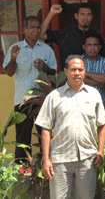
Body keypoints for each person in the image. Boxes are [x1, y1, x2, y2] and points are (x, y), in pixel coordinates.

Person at [35, 55, 105, 198]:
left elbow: (102, 124)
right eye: (73, 70)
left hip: (87, 159)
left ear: (85, 71)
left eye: (80, 70)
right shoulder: (54, 96)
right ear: (66, 71)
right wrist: (46, 158)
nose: (77, 73)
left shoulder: (94, 95)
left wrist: (100, 151)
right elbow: (46, 129)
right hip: (60, 159)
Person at [3, 16, 57, 162]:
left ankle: (44, 169)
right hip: (23, 101)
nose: (36, 30)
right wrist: (13, 58)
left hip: (43, 101)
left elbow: (55, 74)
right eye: (32, 27)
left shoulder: (47, 49)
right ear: (25, 30)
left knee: (44, 136)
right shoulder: (16, 48)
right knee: (22, 137)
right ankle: (23, 172)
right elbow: (9, 73)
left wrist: (44, 67)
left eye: (38, 27)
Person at [39, 3, 105, 67]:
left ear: (92, 17)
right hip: (69, 78)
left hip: (91, 78)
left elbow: (103, 60)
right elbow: (41, 35)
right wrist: (52, 13)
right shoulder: (65, 34)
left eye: (88, 15)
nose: (85, 17)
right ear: (76, 16)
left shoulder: (97, 36)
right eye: (82, 14)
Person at [82, 33, 105, 112]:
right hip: (81, 103)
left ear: (99, 47)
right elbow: (79, 79)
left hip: (100, 103)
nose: (92, 48)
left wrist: (86, 73)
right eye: (89, 45)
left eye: (95, 45)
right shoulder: (79, 61)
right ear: (84, 47)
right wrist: (99, 83)